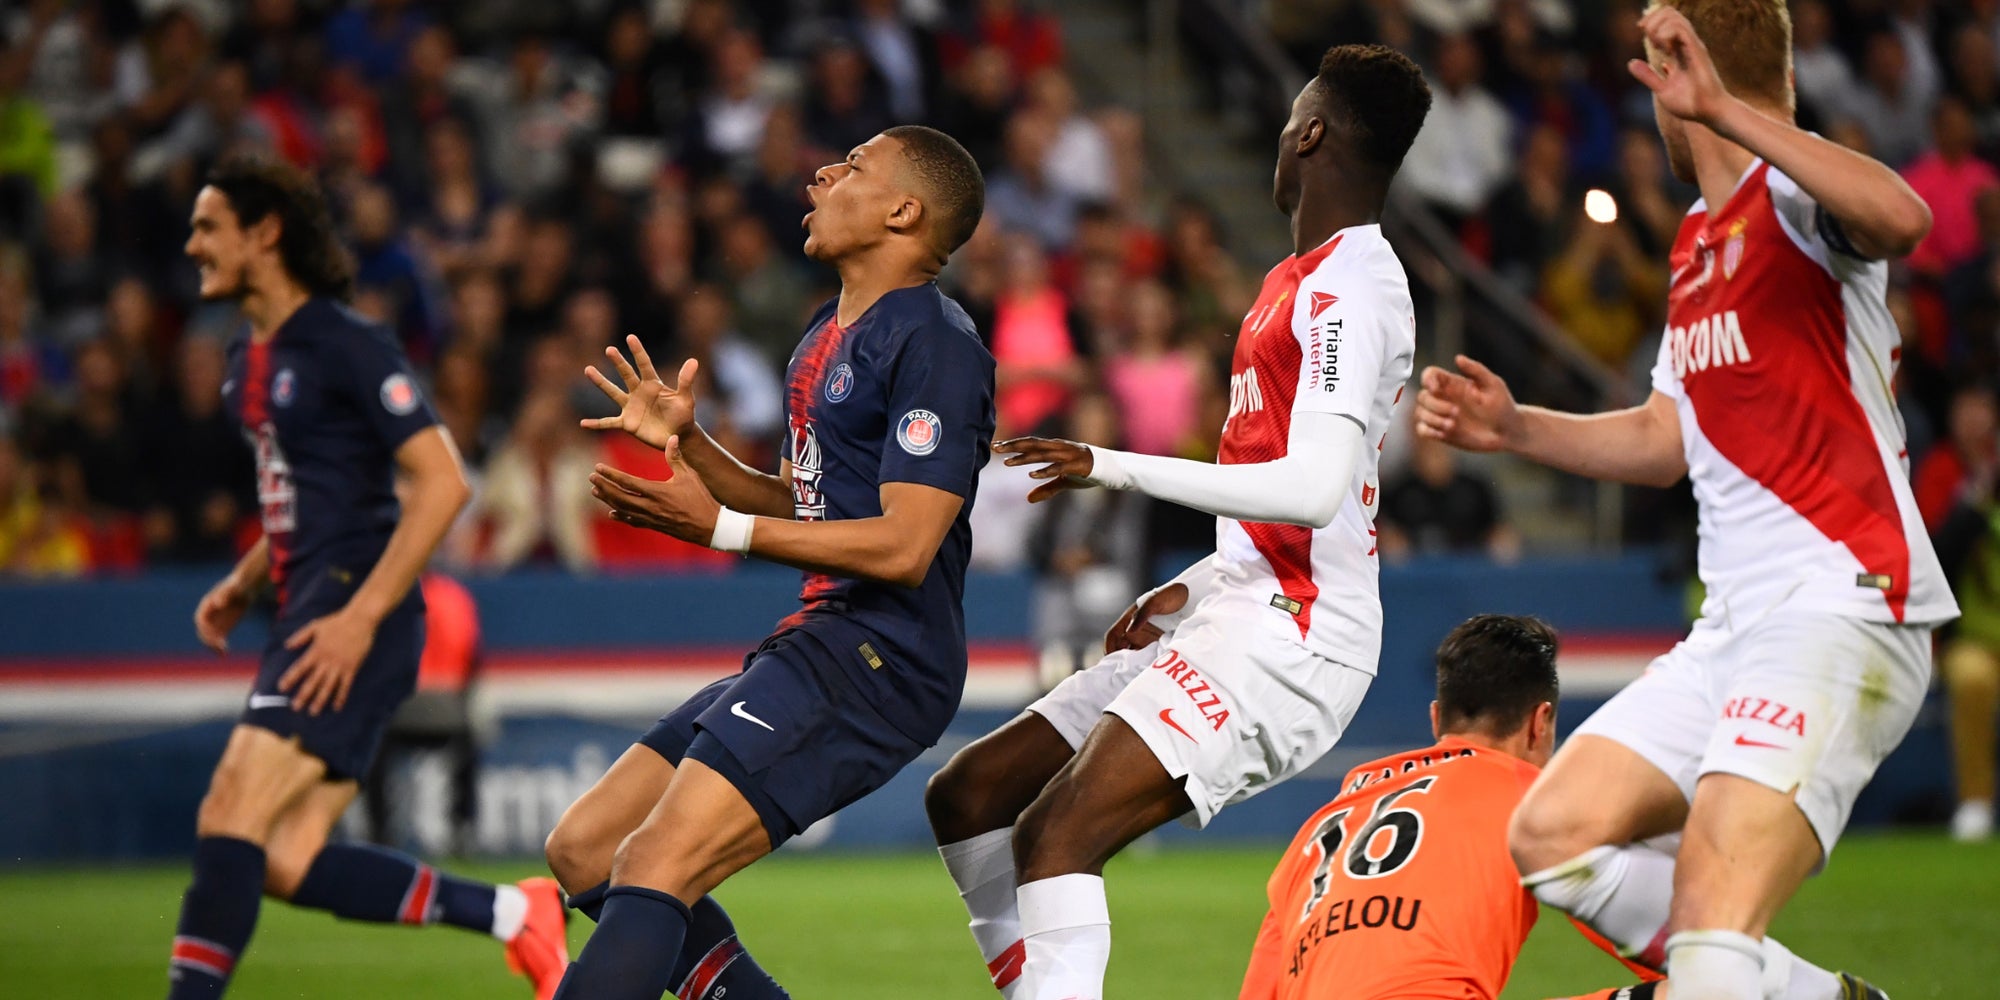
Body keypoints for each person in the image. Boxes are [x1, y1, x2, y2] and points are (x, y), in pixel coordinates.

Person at [1415, 6, 1949, 999]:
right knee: (1548, 833)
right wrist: (1517, 426)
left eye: (1652, 76)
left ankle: (1722, 966)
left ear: (1682, 71)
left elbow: (1900, 218)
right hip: (1733, 629)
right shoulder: (1697, 244)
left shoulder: (1789, 195)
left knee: (1709, 910)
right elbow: (1665, 439)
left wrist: (1730, 115)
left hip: (1839, 601)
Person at [924, 44, 1429, 1000]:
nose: (1281, 137)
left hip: (1298, 636)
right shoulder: (1300, 278)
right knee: (969, 796)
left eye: (1290, 120)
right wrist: (1195, 584)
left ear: (1310, 133)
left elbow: (1315, 489)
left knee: (1055, 836)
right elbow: (1318, 494)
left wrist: (1112, 467)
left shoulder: (1349, 288)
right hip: (1241, 604)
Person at [538, 125, 994, 1000]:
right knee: (587, 847)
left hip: (882, 654)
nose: (825, 172)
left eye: (855, 165)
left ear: (904, 211)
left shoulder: (935, 343)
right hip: (827, 636)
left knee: (656, 861)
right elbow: (805, 501)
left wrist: (719, 531)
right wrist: (694, 448)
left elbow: (903, 545)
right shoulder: (828, 331)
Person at [164, 155, 567, 1000]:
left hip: (352, 612)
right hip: (312, 604)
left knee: (229, 809)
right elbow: (303, 502)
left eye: (209, 226)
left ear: (265, 233)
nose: (193, 243)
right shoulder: (247, 360)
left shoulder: (345, 344)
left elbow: (443, 481)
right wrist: (246, 579)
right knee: (281, 857)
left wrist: (359, 618)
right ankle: (513, 913)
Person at [1239, 614, 1560, 1000]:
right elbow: (1646, 932)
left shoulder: (1322, 825)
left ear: (1436, 718)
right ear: (1539, 724)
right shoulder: (1529, 796)